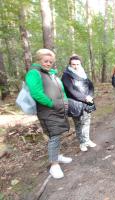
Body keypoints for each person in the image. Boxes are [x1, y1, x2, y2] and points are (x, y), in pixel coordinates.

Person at [25, 49, 71, 179]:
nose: (48, 63)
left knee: (57, 134)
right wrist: (52, 104)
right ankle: (54, 165)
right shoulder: (34, 73)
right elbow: (36, 93)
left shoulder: (51, 74)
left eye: (50, 61)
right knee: (54, 136)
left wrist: (65, 102)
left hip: (58, 110)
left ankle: (56, 156)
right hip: (48, 111)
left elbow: (61, 91)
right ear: (39, 60)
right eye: (45, 61)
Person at [62, 55, 96, 152]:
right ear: (70, 64)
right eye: (73, 64)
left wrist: (90, 95)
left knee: (87, 121)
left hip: (87, 102)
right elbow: (71, 90)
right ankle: (82, 143)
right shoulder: (66, 75)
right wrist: (85, 98)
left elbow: (91, 86)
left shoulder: (83, 73)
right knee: (78, 124)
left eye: (78, 64)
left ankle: (87, 140)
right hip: (75, 104)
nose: (76, 66)